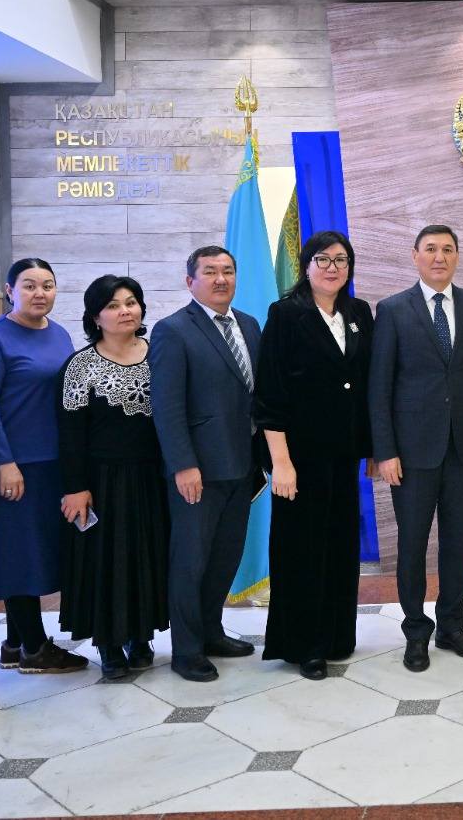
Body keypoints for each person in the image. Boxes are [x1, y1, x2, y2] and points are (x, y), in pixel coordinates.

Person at [369, 225, 463, 672]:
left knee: (459, 543)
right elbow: (379, 386)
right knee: (413, 544)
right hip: (411, 452)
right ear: (415, 256)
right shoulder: (392, 310)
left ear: (457, 256)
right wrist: (385, 451)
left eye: (447, 249)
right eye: (431, 249)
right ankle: (416, 632)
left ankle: (452, 626)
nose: (439, 257)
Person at [255, 231, 374, 680]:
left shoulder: (358, 313)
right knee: (302, 550)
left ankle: (337, 636)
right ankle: (304, 645)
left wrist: (371, 449)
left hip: (344, 456)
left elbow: (364, 385)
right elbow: (270, 394)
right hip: (299, 458)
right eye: (322, 259)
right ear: (306, 266)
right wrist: (281, 462)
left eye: (341, 260)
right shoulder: (286, 314)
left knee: (340, 545)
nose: (332, 268)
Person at [0, 258, 88, 674]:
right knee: (16, 553)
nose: (40, 293)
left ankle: (15, 643)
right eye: (30, 285)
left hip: (53, 463)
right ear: (9, 290)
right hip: (14, 466)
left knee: (36, 551)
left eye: (47, 285)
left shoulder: (60, 334)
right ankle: (35, 649)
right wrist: (3, 462)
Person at [151, 246, 264, 683]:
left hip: (242, 466)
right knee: (190, 561)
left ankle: (212, 631)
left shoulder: (249, 325)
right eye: (211, 272)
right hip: (197, 470)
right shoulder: (173, 330)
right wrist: (183, 464)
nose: (221, 279)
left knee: (225, 556)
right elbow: (167, 407)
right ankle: (187, 649)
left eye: (228, 271)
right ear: (190, 281)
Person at [56, 275, 169, 682]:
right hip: (101, 482)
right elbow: (70, 434)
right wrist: (75, 487)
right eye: (113, 305)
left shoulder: (160, 355)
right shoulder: (80, 366)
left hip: (153, 478)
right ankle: (108, 643)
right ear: (95, 316)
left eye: (131, 302)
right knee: (107, 561)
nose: (125, 311)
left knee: (147, 555)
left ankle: (141, 636)